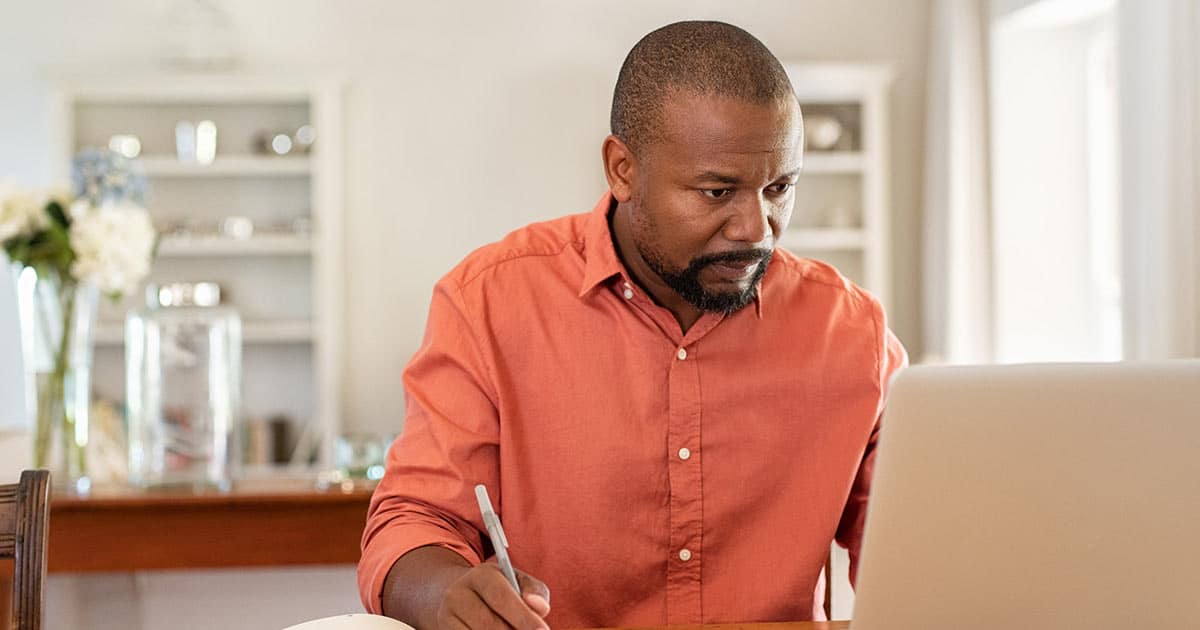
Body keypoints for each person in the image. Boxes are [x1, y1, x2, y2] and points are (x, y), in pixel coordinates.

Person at [358, 20, 907, 630]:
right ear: (621, 169)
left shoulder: (853, 334)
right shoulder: (489, 303)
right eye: (717, 191)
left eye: (779, 187)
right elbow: (413, 521)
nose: (756, 227)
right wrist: (446, 597)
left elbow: (920, 552)